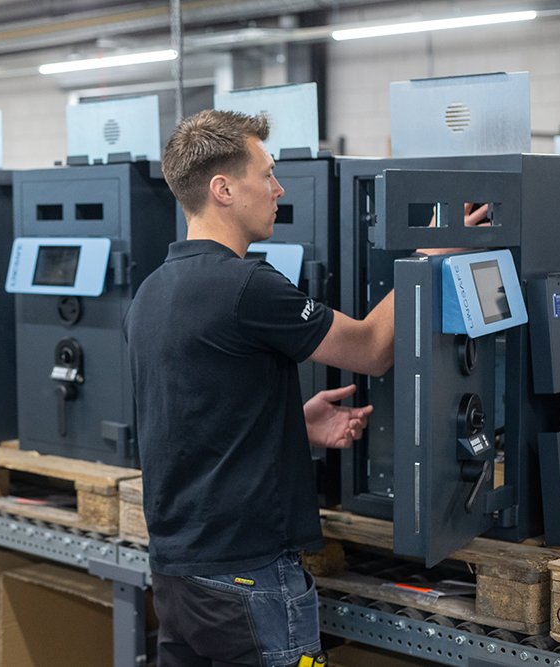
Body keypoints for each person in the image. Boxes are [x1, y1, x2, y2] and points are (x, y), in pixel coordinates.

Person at [123, 110, 485, 667]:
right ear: (223, 189)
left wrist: (295, 424)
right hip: (248, 576)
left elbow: (192, 416)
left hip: (178, 573)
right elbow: (371, 349)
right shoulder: (247, 285)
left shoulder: (153, 290)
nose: (278, 188)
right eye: (265, 174)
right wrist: (435, 252)